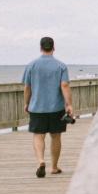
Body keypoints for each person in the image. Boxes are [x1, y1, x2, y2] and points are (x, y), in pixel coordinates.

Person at [21, 35, 73, 178]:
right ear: (53, 48)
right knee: (55, 137)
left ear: (40, 48)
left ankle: (41, 161)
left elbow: (27, 87)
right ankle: (54, 167)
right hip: (56, 108)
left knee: (38, 136)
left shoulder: (31, 66)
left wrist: (27, 103)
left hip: (37, 107)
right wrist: (69, 104)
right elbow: (65, 85)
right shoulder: (61, 66)